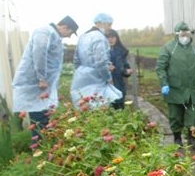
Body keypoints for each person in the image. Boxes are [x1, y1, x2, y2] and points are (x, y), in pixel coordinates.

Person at [11, 15, 79, 143]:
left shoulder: (51, 33)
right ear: (65, 27)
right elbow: (39, 53)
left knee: (43, 116)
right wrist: (41, 78)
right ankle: (39, 149)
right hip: (36, 83)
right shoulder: (44, 31)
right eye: (70, 33)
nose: (69, 36)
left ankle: (43, 147)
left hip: (41, 84)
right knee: (39, 118)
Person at [155, 21, 195, 148]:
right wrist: (164, 83)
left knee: (193, 115)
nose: (185, 36)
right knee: (175, 115)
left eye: (187, 34)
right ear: (177, 34)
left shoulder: (194, 49)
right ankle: (177, 138)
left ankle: (192, 139)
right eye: (182, 34)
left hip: (192, 89)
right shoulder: (168, 48)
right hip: (174, 89)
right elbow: (160, 67)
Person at [71, 13, 123, 109]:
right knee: (99, 106)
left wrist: (80, 73)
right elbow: (101, 62)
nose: (110, 28)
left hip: (82, 77)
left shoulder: (83, 36)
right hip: (97, 79)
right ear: (99, 23)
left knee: (84, 106)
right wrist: (108, 78)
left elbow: (76, 59)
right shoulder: (99, 38)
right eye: (109, 25)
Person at [106, 29, 133, 110]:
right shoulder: (101, 52)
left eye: (113, 37)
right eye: (108, 37)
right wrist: (106, 69)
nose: (111, 39)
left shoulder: (120, 52)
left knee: (120, 112)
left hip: (118, 86)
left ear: (116, 38)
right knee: (107, 112)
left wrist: (127, 71)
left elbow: (124, 67)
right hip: (105, 87)